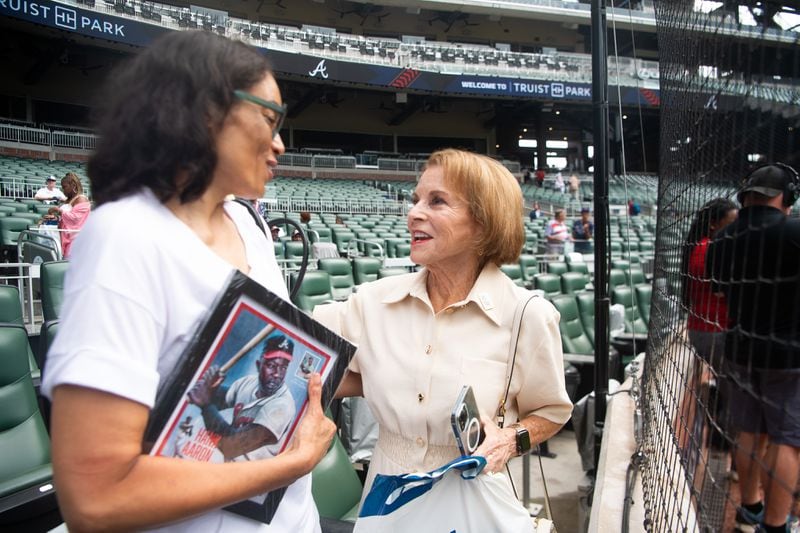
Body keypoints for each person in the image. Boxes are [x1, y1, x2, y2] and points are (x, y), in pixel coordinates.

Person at [41, 31, 335, 532]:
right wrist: (293, 461)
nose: (280, 144)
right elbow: (95, 496)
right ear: (206, 112)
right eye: (270, 119)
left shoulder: (248, 225)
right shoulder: (125, 236)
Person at [313, 149, 572, 510]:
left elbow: (551, 412)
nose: (414, 213)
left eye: (437, 201)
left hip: (474, 502)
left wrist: (511, 441)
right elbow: (303, 360)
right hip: (385, 499)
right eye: (416, 199)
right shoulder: (371, 303)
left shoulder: (528, 316)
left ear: (484, 221)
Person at [707, 163, 800, 533]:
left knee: (748, 431)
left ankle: (750, 509)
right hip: (789, 356)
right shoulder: (794, 231)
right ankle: (776, 525)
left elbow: (717, 288)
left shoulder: (723, 238)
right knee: (786, 440)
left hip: (740, 350)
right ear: (784, 197)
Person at [676, 198, 737, 481]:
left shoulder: (701, 246)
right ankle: (721, 449)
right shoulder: (708, 249)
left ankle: (719, 445)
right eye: (730, 221)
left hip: (705, 329)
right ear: (714, 223)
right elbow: (721, 291)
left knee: (725, 393)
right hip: (713, 331)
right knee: (732, 395)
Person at [188, 334, 297, 461]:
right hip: (228, 471)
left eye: (283, 367)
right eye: (272, 366)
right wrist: (211, 389)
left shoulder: (283, 406)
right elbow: (221, 399)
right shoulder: (248, 383)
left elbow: (231, 447)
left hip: (254, 478)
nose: (277, 374)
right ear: (258, 365)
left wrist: (206, 405)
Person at [45, 172, 91, 258]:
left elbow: (76, 219)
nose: (63, 190)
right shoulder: (68, 200)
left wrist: (59, 211)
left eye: (65, 187)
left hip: (76, 241)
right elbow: (66, 218)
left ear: (73, 186)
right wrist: (56, 218)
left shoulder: (81, 199)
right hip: (66, 238)